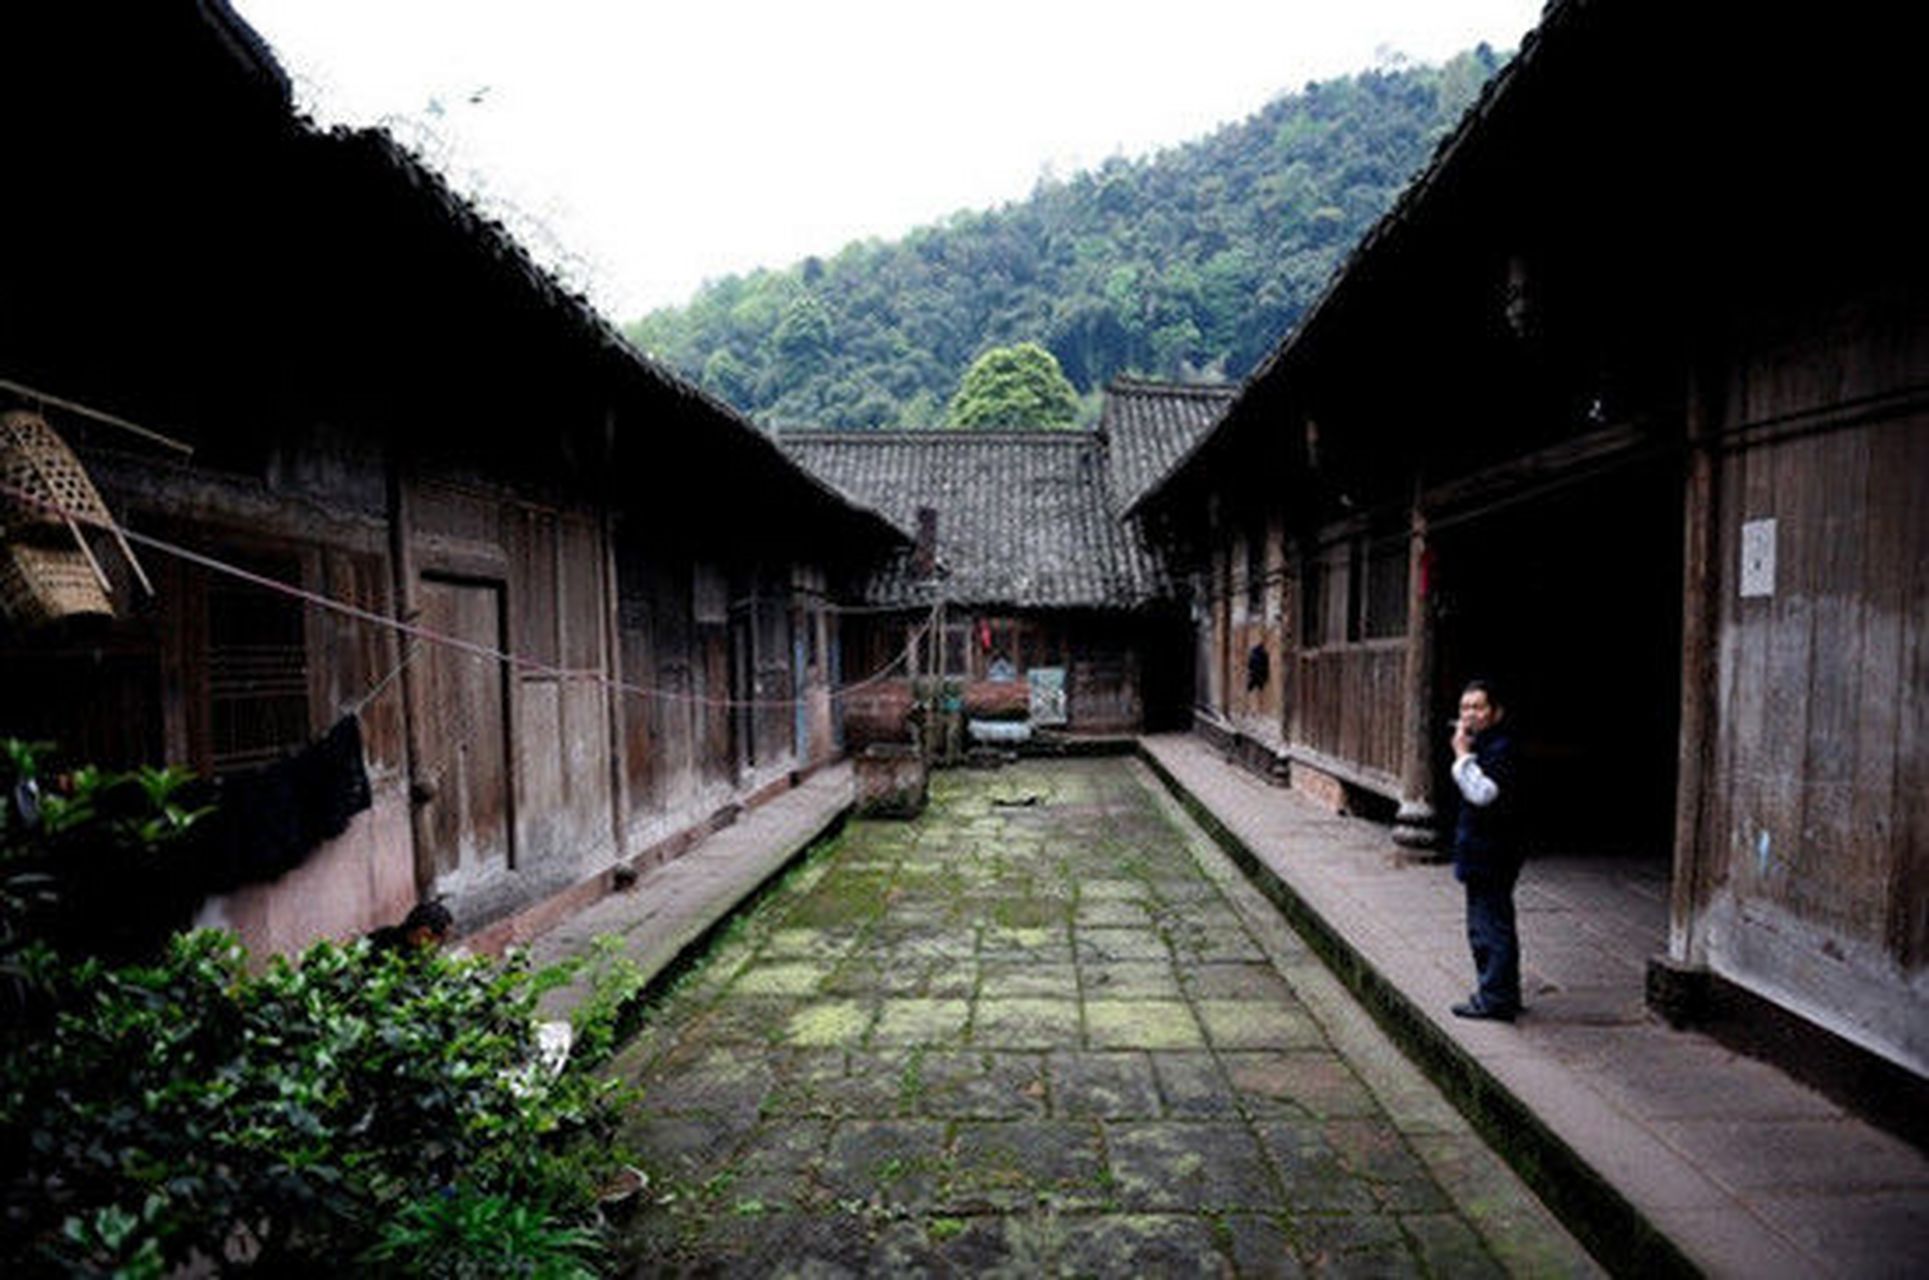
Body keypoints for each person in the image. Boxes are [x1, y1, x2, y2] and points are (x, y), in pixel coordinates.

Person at [1448, 678, 1522, 1021]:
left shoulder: (1501, 748)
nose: (1469, 715)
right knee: (1489, 923)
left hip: (1493, 852)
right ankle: (1498, 991)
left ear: (1496, 712)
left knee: (1490, 927)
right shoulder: (1486, 745)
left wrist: (1462, 757)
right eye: (1465, 708)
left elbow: (1484, 794)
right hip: (1481, 851)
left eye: (1478, 707)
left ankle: (1495, 997)